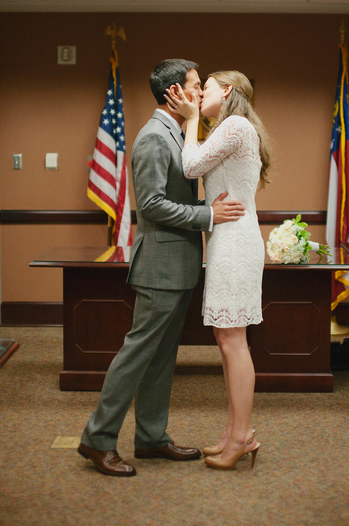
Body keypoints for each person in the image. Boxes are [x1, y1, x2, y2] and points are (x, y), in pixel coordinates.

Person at [78, 59, 245, 477]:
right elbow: (150, 205)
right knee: (135, 355)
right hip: (159, 266)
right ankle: (97, 440)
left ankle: (151, 438)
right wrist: (208, 215)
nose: (200, 92)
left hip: (179, 264)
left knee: (160, 358)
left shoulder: (178, 131)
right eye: (194, 85)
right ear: (175, 93)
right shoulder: (154, 137)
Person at [164, 70, 272, 471]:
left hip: (236, 243)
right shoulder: (230, 129)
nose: (197, 93)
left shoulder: (236, 125)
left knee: (233, 343)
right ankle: (234, 433)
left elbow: (190, 166)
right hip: (228, 240)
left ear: (226, 91)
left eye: (204, 87)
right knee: (228, 342)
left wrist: (191, 120)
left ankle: (242, 436)